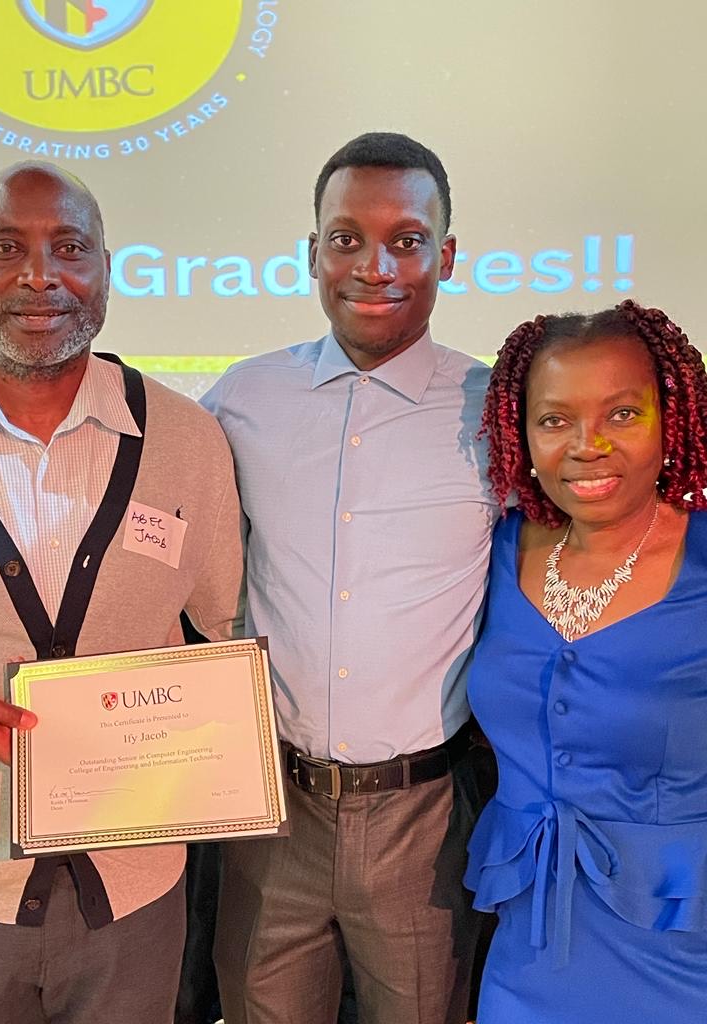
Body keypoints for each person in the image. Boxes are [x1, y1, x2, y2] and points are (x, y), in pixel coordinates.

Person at [201, 132, 498, 1024]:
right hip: (268, 814)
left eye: (407, 240)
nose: (375, 266)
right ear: (311, 254)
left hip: (425, 821)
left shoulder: (498, 410)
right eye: (345, 239)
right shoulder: (242, 399)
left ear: (446, 255)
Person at [0, 162, 243, 1024]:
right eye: (8, 248)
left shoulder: (187, 437)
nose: (41, 276)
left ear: (109, 269)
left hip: (136, 884)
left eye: (70, 248)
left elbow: (226, 635)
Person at [464, 300, 707, 1023]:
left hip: (680, 945)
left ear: (673, 417)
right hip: (527, 944)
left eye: (622, 415)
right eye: (555, 420)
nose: (587, 445)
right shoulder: (499, 549)